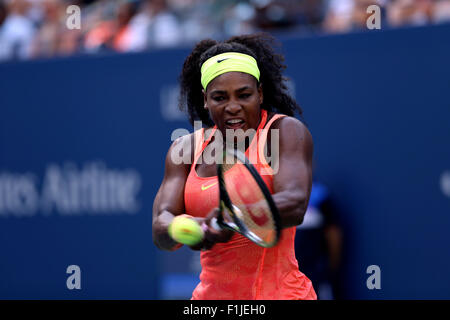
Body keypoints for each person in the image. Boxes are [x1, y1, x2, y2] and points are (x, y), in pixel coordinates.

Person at [152, 33, 316, 300]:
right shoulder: (184, 149)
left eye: (244, 95)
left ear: (260, 94)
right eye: (220, 97)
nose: (233, 107)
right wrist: (190, 227)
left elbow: (295, 204)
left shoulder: (285, 131)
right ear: (205, 99)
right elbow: (161, 228)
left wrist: (229, 218)